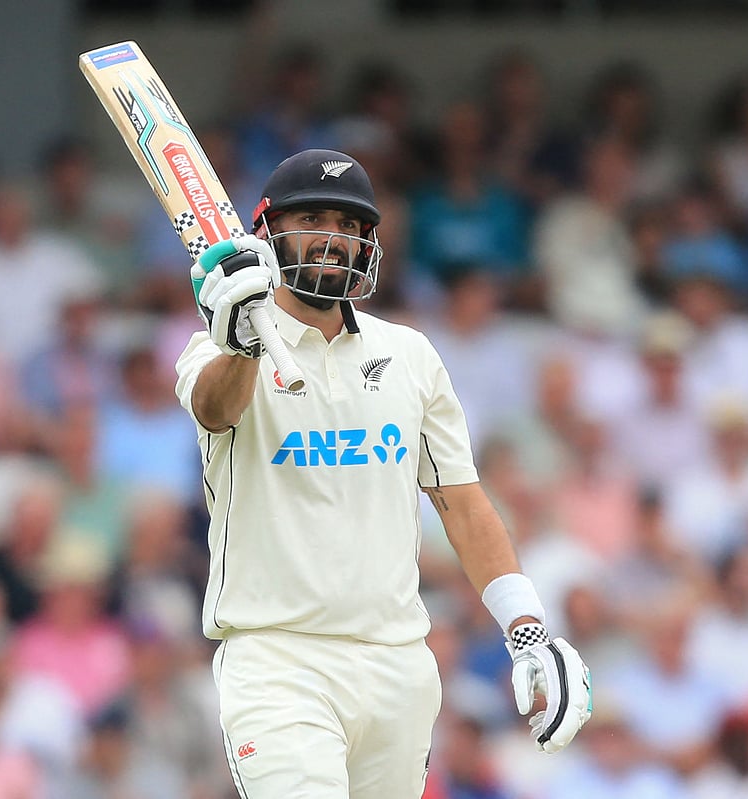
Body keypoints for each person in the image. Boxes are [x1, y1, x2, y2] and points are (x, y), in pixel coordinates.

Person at [174, 148, 592, 797]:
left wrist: (529, 630)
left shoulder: (410, 354)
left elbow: (462, 503)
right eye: (312, 217)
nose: (333, 238)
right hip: (278, 659)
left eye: (349, 224)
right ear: (266, 232)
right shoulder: (217, 347)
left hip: (398, 663)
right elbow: (213, 406)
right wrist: (242, 346)